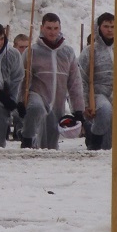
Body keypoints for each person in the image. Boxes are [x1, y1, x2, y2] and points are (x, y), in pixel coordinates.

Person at [78, 12, 117, 150]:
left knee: (109, 146)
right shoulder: (90, 52)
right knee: (105, 110)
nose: (110, 30)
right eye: (106, 26)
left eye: (113, 26)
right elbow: (81, 78)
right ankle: (94, 140)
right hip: (98, 95)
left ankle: (102, 149)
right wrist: (85, 104)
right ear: (98, 27)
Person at [21, 13, 84, 149]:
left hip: (57, 102)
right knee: (36, 108)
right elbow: (23, 79)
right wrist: (20, 100)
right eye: (49, 28)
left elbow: (75, 82)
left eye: (56, 28)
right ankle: (27, 138)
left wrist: (78, 109)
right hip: (38, 95)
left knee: (49, 145)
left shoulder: (67, 52)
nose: (52, 32)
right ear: (42, 28)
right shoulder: (32, 52)